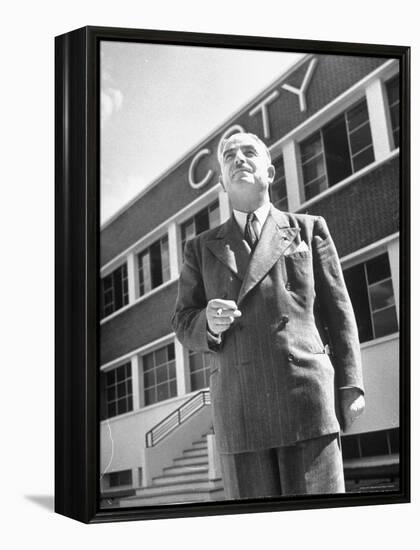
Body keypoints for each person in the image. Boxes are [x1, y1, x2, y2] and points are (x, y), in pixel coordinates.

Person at [172, 132, 365, 498]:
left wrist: (351, 383)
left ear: (271, 172)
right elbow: (182, 321)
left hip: (307, 401)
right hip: (240, 410)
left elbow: (340, 312)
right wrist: (206, 324)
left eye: (249, 153)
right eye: (229, 156)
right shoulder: (199, 248)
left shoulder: (309, 229)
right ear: (222, 182)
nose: (239, 159)